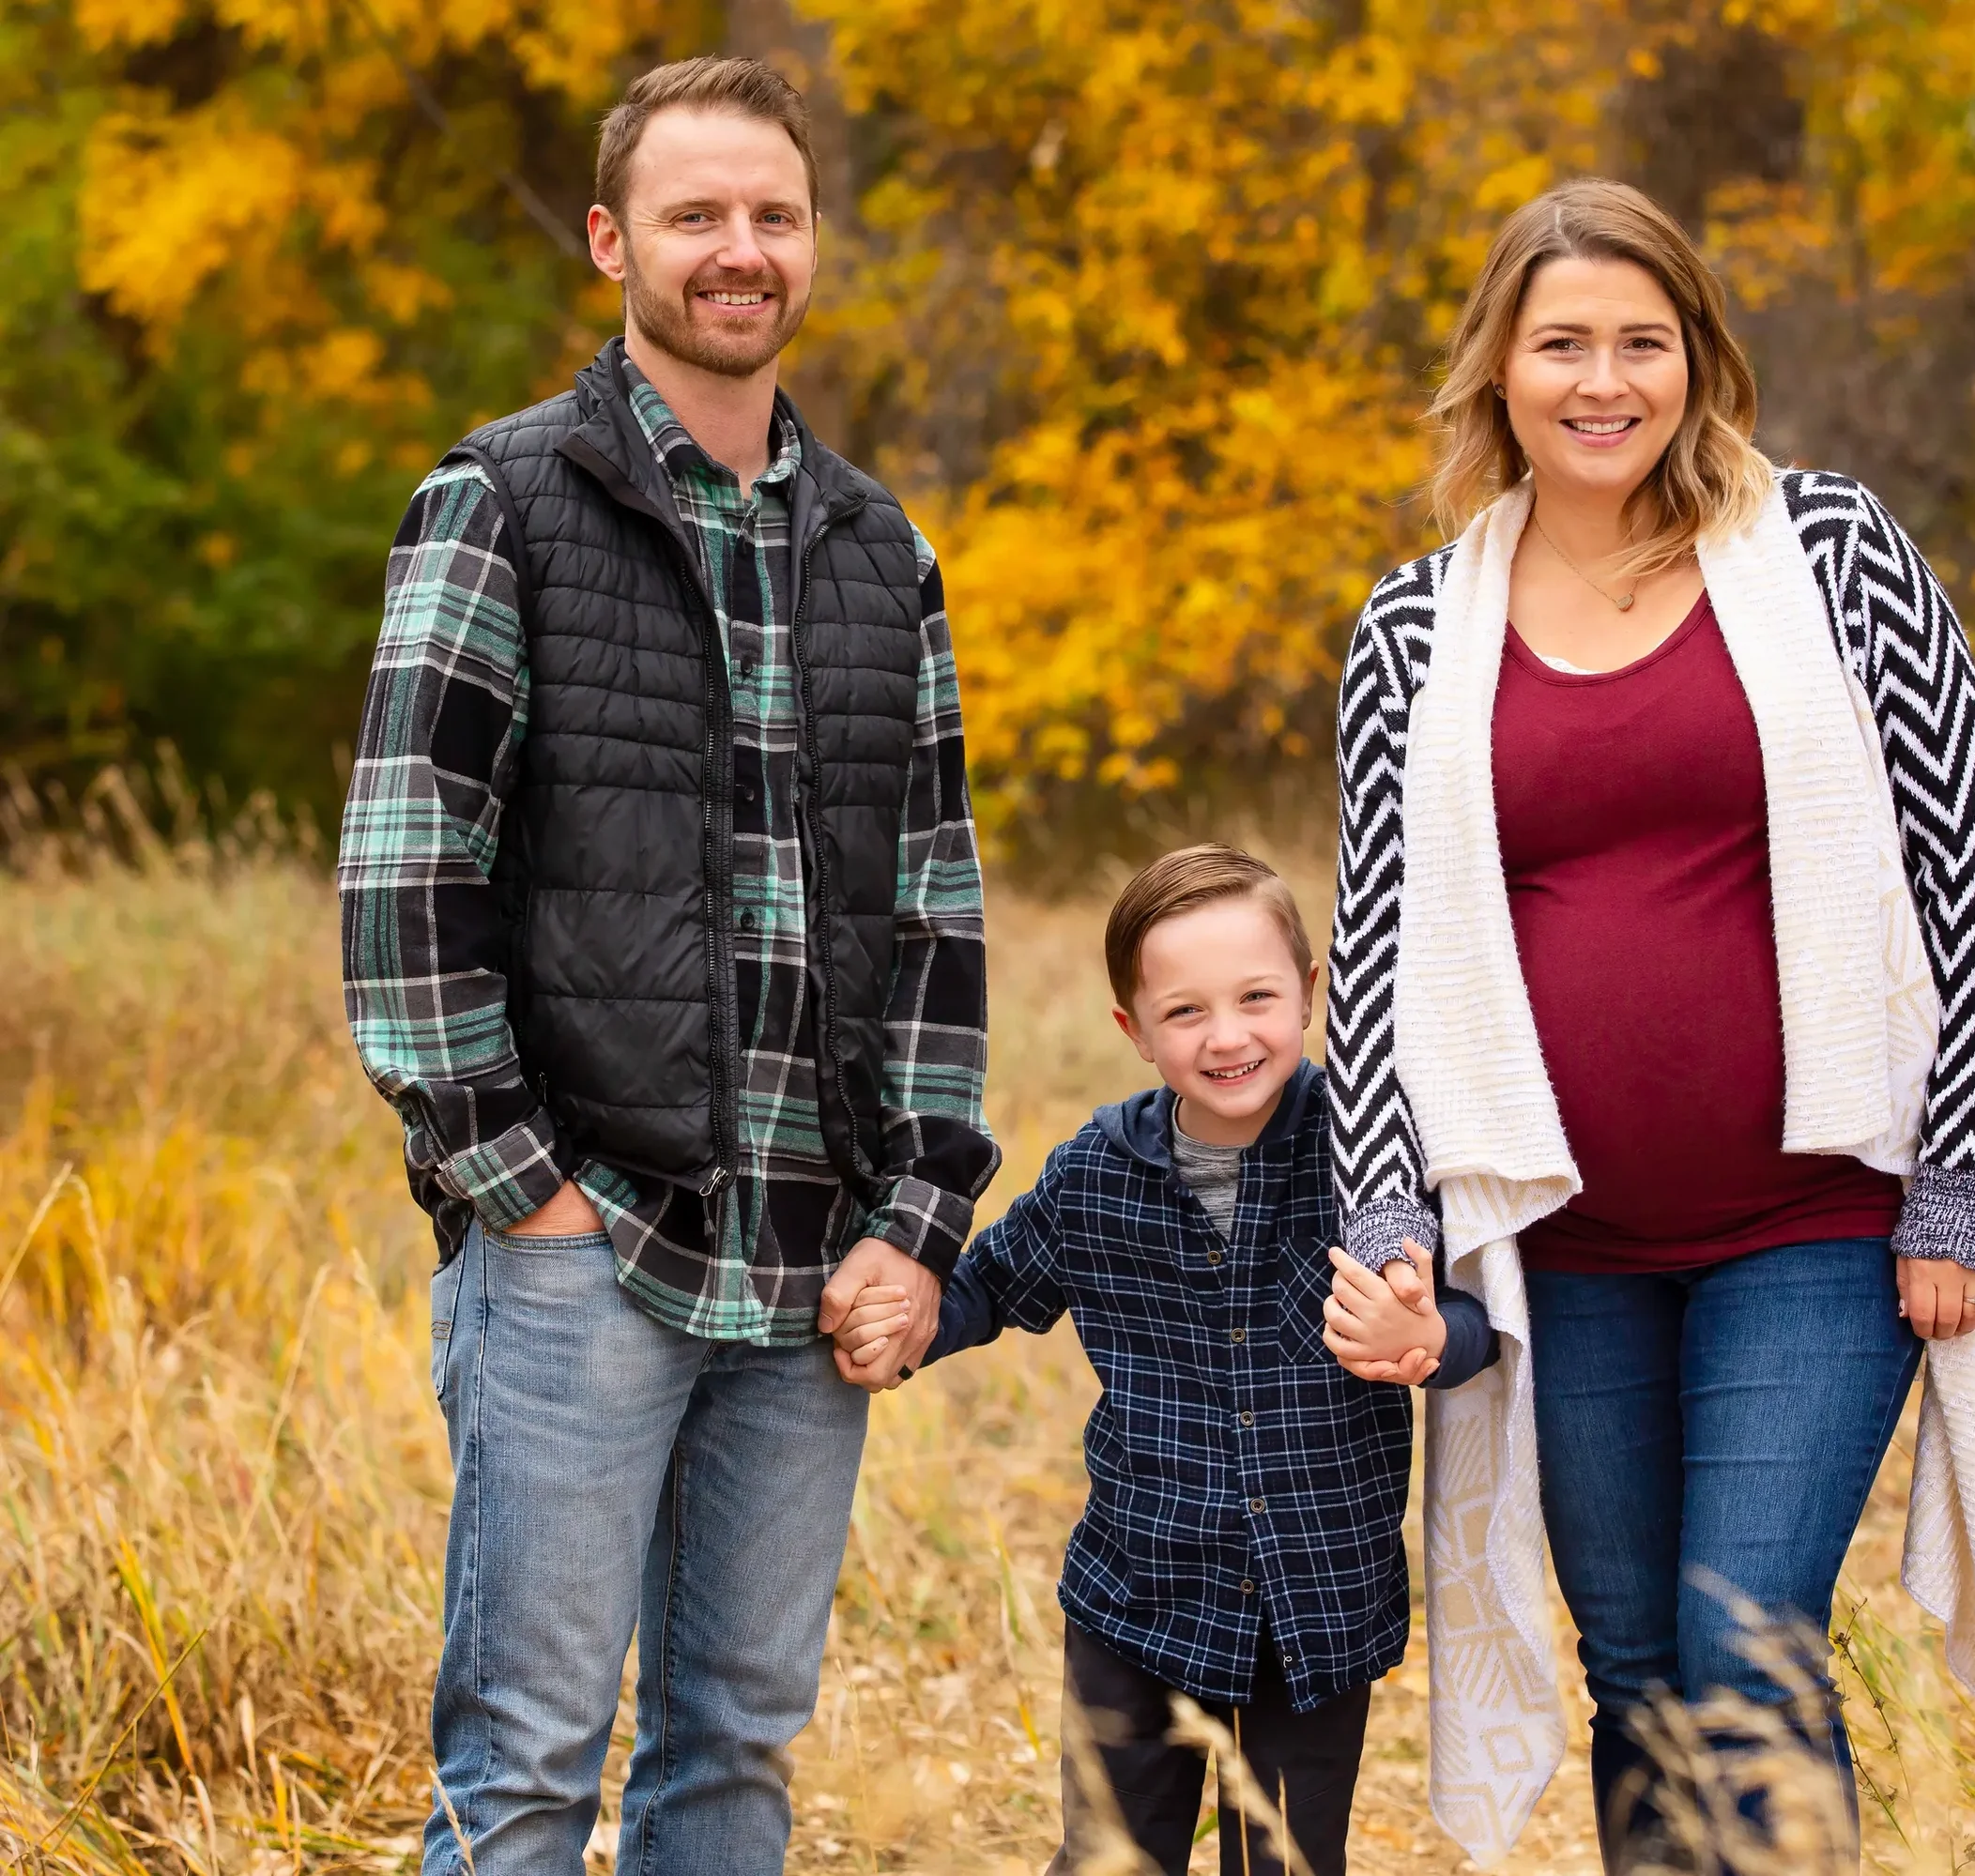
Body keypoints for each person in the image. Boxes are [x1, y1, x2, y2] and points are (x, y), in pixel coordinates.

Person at [1324, 178, 1975, 1867]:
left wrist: (1964, 1179)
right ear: (1497, 369)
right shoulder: (1414, 628)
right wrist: (1389, 1217)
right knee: (1638, 1662)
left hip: (1811, 1220)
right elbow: (1374, 955)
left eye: (1641, 341)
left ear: (1697, 359)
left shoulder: (1828, 552)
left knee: (1743, 1640)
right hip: (1558, 1247)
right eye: (1561, 340)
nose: (1603, 379)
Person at [337, 56, 997, 1875]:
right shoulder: (500, 505)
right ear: (613, 240)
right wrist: (520, 1192)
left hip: (809, 1266)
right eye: (698, 216)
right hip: (586, 1253)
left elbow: (935, 910)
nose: (740, 251)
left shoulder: (884, 554)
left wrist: (916, 1214)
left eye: (772, 217)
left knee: (731, 1762)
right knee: (531, 1768)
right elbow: (406, 888)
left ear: (810, 245)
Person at [834, 844, 1496, 1875]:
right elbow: (989, 1286)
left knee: (1280, 1859)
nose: (1226, 1035)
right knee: (1110, 1857)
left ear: (1314, 994)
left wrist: (1428, 1340)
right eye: (1184, 1011)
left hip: (1313, 1608)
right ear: (1133, 1030)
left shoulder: (1368, 1163)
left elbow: (1479, 1322)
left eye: (1256, 997)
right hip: (1136, 1597)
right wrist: (909, 1325)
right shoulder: (1097, 1171)